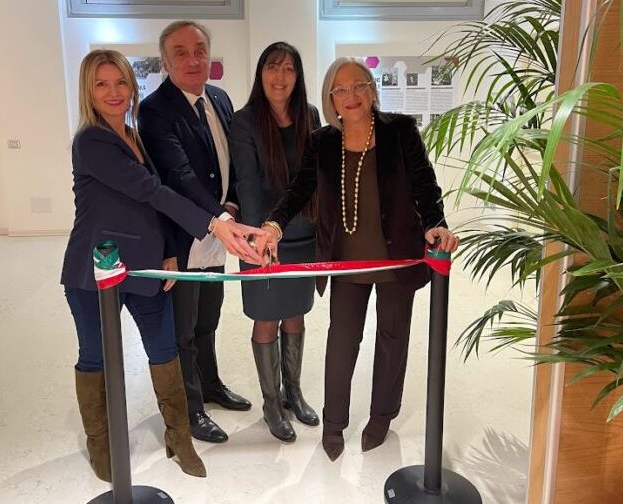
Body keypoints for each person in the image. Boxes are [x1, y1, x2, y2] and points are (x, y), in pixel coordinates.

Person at [61, 49, 262, 481]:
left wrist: (170, 249)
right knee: (95, 355)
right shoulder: (91, 141)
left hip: (148, 267)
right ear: (87, 92)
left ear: (132, 86)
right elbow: (150, 190)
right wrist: (214, 223)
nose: (113, 92)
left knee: (165, 350)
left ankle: (179, 438)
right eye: (101, 84)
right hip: (96, 270)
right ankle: (101, 446)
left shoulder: (134, 135)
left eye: (121, 82)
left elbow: (155, 202)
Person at [255, 57, 459, 461]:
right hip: (347, 262)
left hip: (396, 259)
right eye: (341, 90)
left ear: (372, 88)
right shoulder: (322, 141)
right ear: (331, 99)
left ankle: (382, 416)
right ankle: (334, 423)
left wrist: (436, 223)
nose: (351, 96)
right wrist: (274, 224)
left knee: (392, 339)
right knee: (343, 341)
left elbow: (424, 184)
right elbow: (300, 188)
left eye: (359, 85)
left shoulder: (400, 131)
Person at [138, 20, 252, 445]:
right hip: (185, 234)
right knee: (182, 328)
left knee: (208, 317)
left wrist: (233, 205)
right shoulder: (154, 110)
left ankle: (210, 384)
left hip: (221, 230)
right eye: (181, 53)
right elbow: (179, 175)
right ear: (165, 62)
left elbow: (233, 162)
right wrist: (221, 219)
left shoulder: (220, 98)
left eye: (199, 50)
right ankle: (191, 409)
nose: (192, 59)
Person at [229, 42, 321, 442]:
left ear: (297, 76)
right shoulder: (244, 121)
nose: (279, 77)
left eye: (288, 69)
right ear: (260, 73)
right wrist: (260, 237)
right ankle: (271, 402)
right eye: (272, 67)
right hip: (262, 239)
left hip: (302, 234)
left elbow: (316, 176)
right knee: (266, 317)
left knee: (296, 313)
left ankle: (293, 393)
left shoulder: (310, 115)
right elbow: (247, 184)